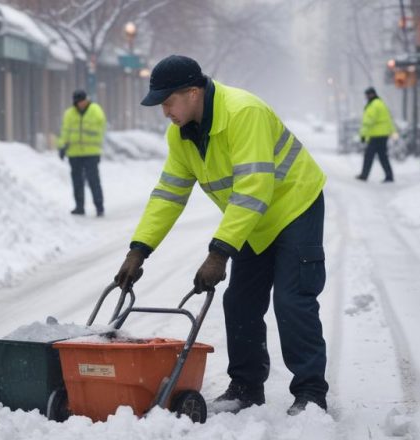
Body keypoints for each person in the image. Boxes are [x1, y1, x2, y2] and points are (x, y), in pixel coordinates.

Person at [113, 55, 329, 416]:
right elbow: (169, 194)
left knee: (292, 300)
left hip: (294, 206)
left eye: (168, 101)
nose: (164, 111)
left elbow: (254, 186)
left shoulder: (243, 113)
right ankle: (246, 387)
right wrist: (139, 249)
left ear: (193, 92)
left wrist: (219, 253)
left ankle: (310, 394)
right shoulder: (181, 135)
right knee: (240, 302)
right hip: (251, 219)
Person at [58, 90, 106, 217]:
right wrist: (62, 147)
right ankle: (79, 207)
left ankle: (99, 207)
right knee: (77, 181)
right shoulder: (69, 114)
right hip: (74, 153)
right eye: (77, 102)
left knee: (93, 180)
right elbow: (65, 131)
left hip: (91, 153)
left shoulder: (96, 111)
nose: (79, 104)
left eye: (81, 101)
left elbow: (101, 127)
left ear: (86, 100)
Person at [356, 87, 395, 182]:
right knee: (382, 156)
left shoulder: (374, 105)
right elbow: (389, 119)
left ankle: (364, 175)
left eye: (367, 95)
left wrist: (363, 135)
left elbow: (368, 121)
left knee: (369, 156)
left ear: (371, 94)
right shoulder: (380, 103)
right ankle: (389, 176)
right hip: (382, 134)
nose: (366, 97)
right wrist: (391, 131)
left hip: (376, 135)